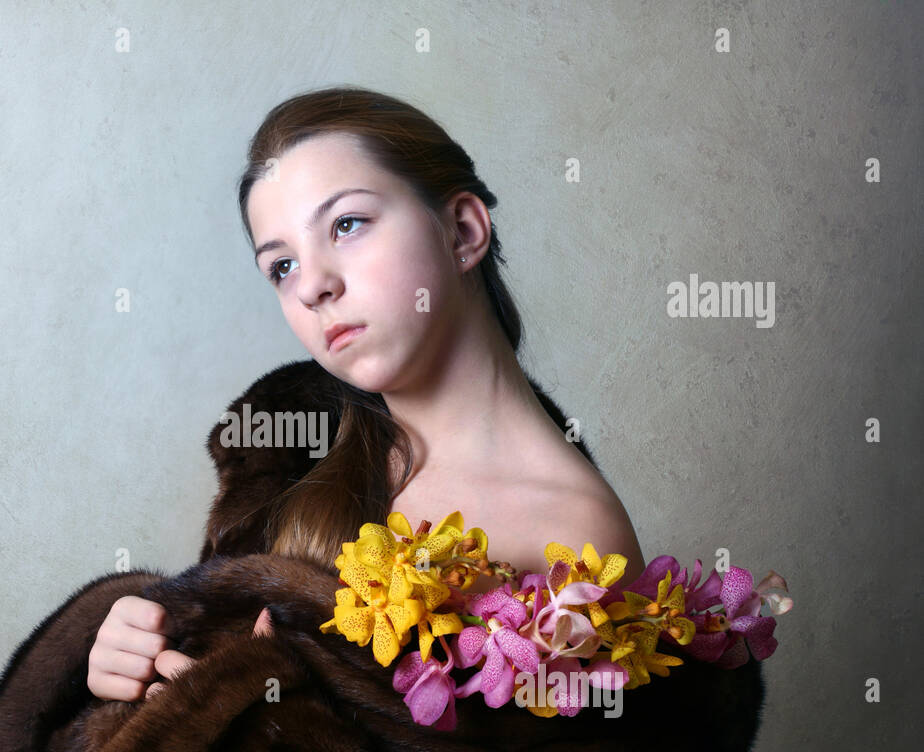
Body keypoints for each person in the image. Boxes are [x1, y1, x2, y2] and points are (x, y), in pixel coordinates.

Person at [88, 85, 645, 706]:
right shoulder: (287, 459)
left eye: (346, 225)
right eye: (283, 266)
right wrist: (129, 650)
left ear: (461, 231)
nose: (313, 287)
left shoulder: (577, 536)